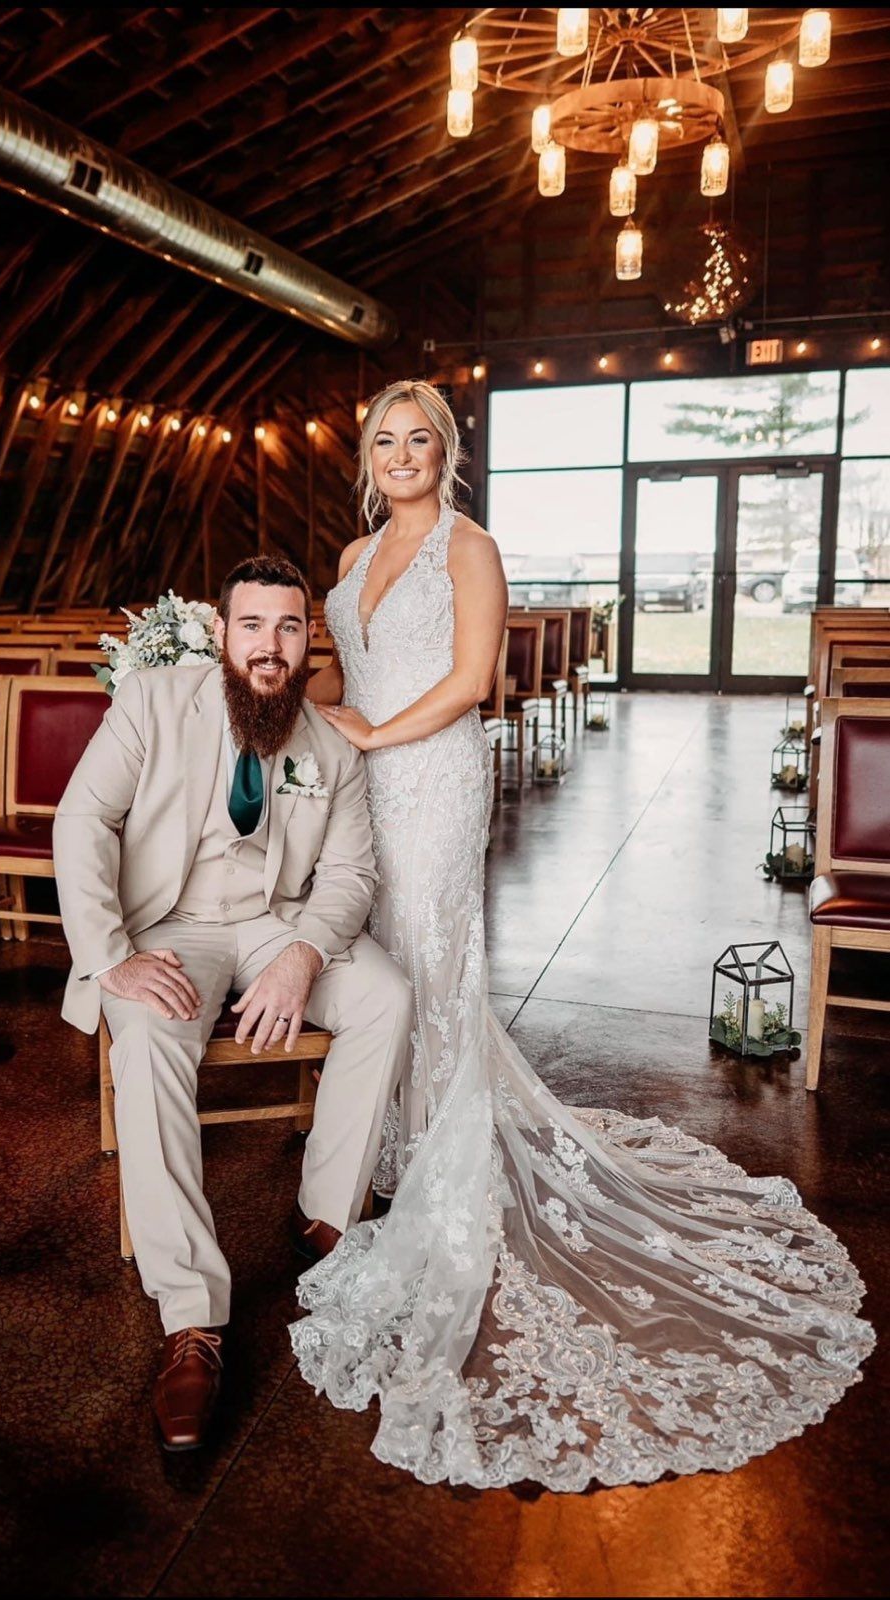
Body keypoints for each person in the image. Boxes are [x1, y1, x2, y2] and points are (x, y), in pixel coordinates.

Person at [291, 379, 874, 1492]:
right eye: (385, 439)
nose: (403, 452)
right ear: (366, 456)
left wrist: (368, 731)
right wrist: (324, 730)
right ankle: (386, 1140)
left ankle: (432, 1167)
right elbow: (344, 674)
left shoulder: (471, 546)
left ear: (446, 453)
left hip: (431, 779)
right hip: (364, 783)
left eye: (422, 439)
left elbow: (470, 681)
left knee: (431, 960)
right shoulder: (353, 558)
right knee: (383, 967)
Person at [53, 554, 411, 1452]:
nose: (269, 646)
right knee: (145, 1039)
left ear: (305, 640)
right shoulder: (152, 703)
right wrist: (110, 961)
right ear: (222, 633)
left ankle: (325, 1218)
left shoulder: (329, 744)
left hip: (274, 923)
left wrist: (300, 954)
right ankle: (191, 1317)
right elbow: (80, 820)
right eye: (252, 626)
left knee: (387, 998)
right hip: (168, 928)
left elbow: (351, 874)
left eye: (287, 628)